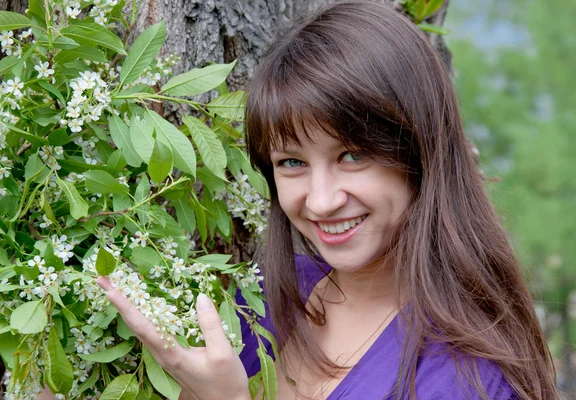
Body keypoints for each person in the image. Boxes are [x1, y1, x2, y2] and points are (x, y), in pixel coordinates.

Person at [96, 1, 558, 399]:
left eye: (352, 155)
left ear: (419, 150)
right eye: (291, 163)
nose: (319, 201)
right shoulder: (266, 299)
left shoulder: (466, 375)